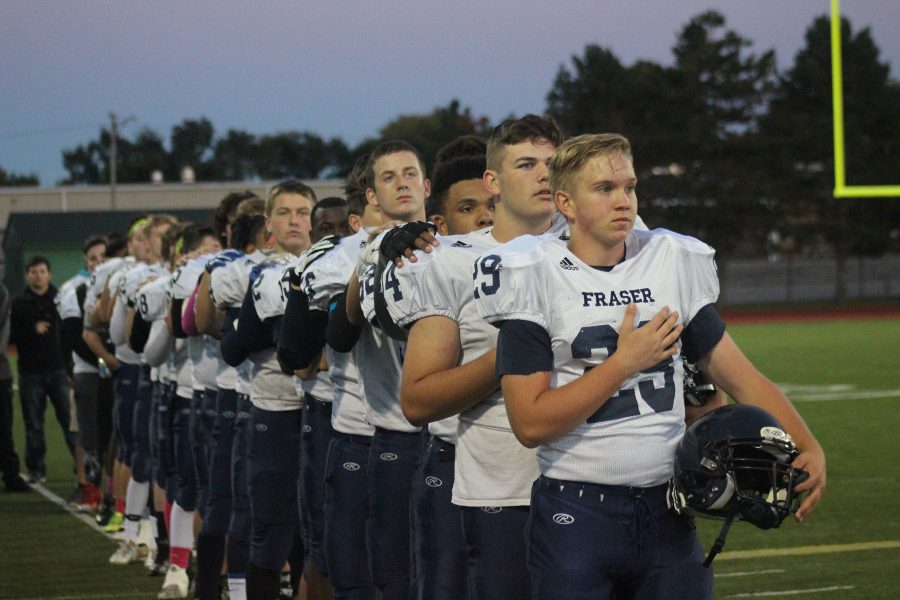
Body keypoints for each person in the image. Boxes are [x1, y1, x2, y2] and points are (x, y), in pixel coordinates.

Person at [476, 133, 826, 599]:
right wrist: (623, 364)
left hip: (669, 510)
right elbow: (530, 423)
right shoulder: (532, 273)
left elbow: (742, 378)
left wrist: (808, 444)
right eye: (604, 189)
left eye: (629, 186)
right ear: (566, 202)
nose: (623, 200)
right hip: (576, 512)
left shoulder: (668, 263)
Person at [382, 116, 563, 599]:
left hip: (596, 489)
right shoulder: (448, 258)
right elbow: (418, 401)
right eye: (527, 164)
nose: (544, 175)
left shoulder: (611, 245)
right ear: (494, 181)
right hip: (495, 487)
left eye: (552, 164)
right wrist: (514, 351)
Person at [10, 256, 77, 483]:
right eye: (34, 272)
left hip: (58, 370)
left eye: (42, 271)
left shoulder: (61, 299)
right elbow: (10, 336)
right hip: (30, 372)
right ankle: (36, 469)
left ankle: (83, 468)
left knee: (70, 423)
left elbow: (69, 334)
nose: (38, 275)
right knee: (34, 425)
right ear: (27, 275)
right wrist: (32, 329)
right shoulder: (19, 303)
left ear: (49, 274)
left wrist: (70, 368)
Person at [0, 281, 29, 492]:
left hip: (0, 375)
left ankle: (11, 475)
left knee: (3, 428)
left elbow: (3, 333)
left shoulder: (2, 292)